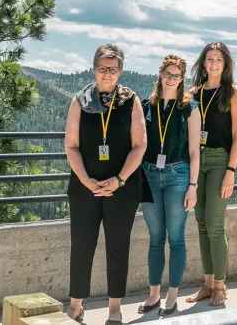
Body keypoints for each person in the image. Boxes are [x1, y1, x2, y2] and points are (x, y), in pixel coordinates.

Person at [64, 44, 146, 324]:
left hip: (121, 190)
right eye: (102, 67)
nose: (107, 73)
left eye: (113, 68)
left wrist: (119, 179)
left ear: (120, 70)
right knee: (82, 245)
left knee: (117, 247)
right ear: (94, 68)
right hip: (84, 189)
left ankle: (114, 308)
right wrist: (86, 180)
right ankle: (75, 304)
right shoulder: (79, 101)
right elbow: (71, 145)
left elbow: (139, 145)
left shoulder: (131, 101)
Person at [137, 55, 200, 316]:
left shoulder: (190, 108)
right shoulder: (146, 106)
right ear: (160, 74)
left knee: (175, 239)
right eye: (168, 73)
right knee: (154, 239)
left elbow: (195, 151)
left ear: (182, 79)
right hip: (150, 175)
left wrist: (193, 186)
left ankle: (172, 296)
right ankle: (154, 295)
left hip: (178, 175)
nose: (172, 79)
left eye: (177, 75)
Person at [185, 42, 237, 307]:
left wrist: (231, 171)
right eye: (208, 59)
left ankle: (221, 286)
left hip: (221, 160)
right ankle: (208, 284)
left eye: (218, 60)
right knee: (200, 222)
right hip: (196, 161)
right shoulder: (193, 93)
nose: (213, 64)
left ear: (226, 64)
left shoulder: (234, 93)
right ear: (202, 63)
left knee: (215, 223)